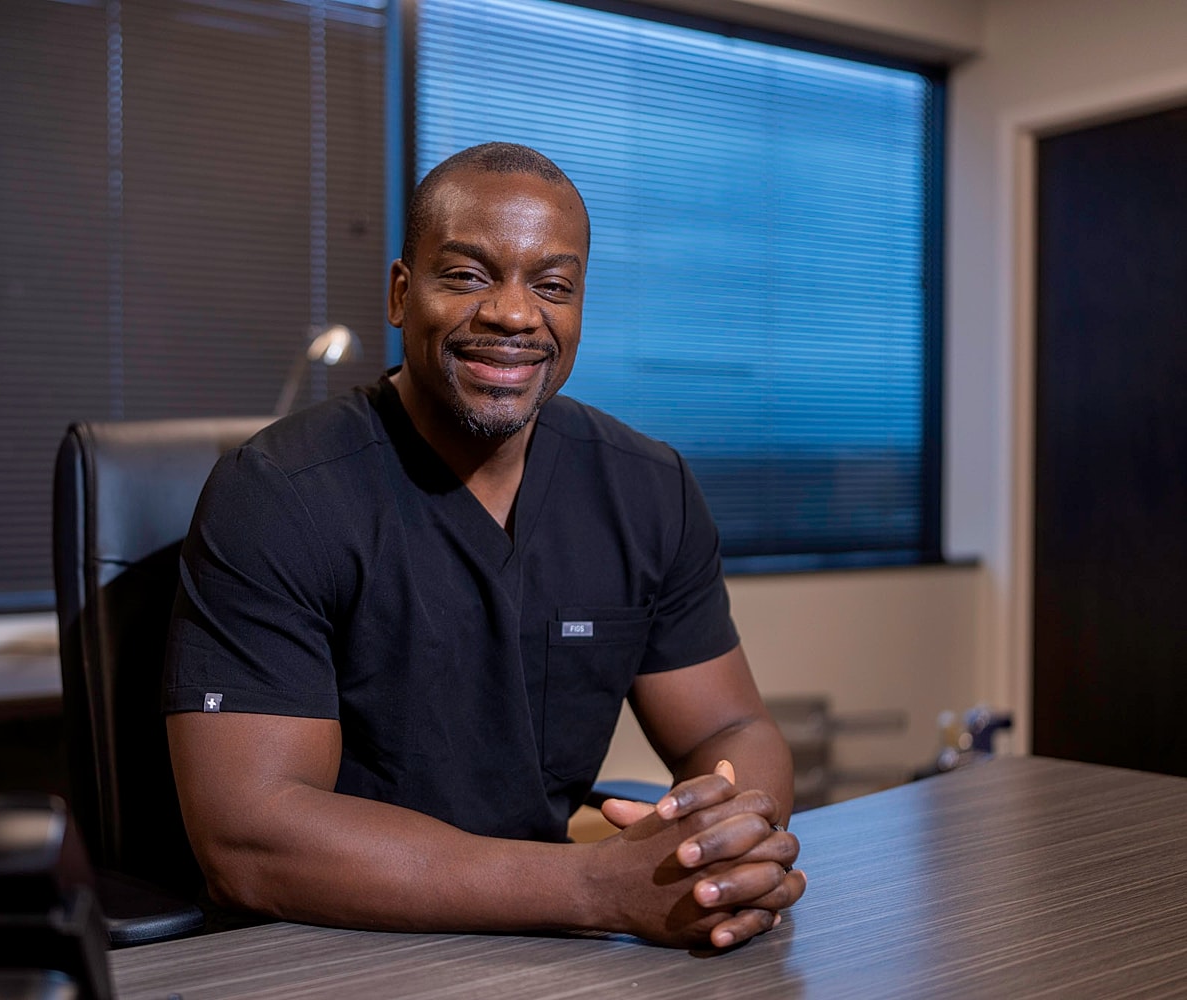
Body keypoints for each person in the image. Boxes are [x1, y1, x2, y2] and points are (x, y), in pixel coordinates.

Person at [163, 142, 806, 949]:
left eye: (553, 286)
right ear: (401, 294)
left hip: (544, 939)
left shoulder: (648, 488)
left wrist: (729, 845)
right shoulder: (280, 495)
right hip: (331, 946)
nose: (513, 312)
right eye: (468, 275)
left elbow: (731, 728)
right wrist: (595, 887)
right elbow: (249, 840)